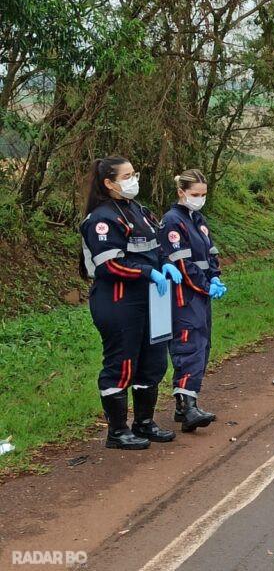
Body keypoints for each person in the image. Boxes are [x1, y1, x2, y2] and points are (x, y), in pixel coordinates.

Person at [80, 157, 182, 450]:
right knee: (122, 363)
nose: (133, 179)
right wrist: (147, 271)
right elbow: (108, 266)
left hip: (151, 297)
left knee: (153, 362)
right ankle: (117, 431)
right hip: (118, 300)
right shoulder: (101, 219)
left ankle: (144, 423)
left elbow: (158, 247)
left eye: (134, 173)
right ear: (109, 183)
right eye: (126, 175)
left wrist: (165, 264)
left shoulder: (140, 211)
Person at [159, 169, 226, 433]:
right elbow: (183, 264)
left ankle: (187, 403)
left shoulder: (198, 219)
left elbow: (209, 254)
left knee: (203, 345)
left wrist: (215, 277)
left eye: (203, 194)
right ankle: (187, 407)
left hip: (201, 294)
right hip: (184, 297)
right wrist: (206, 285)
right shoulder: (172, 222)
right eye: (195, 194)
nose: (199, 198)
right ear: (181, 192)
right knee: (188, 345)